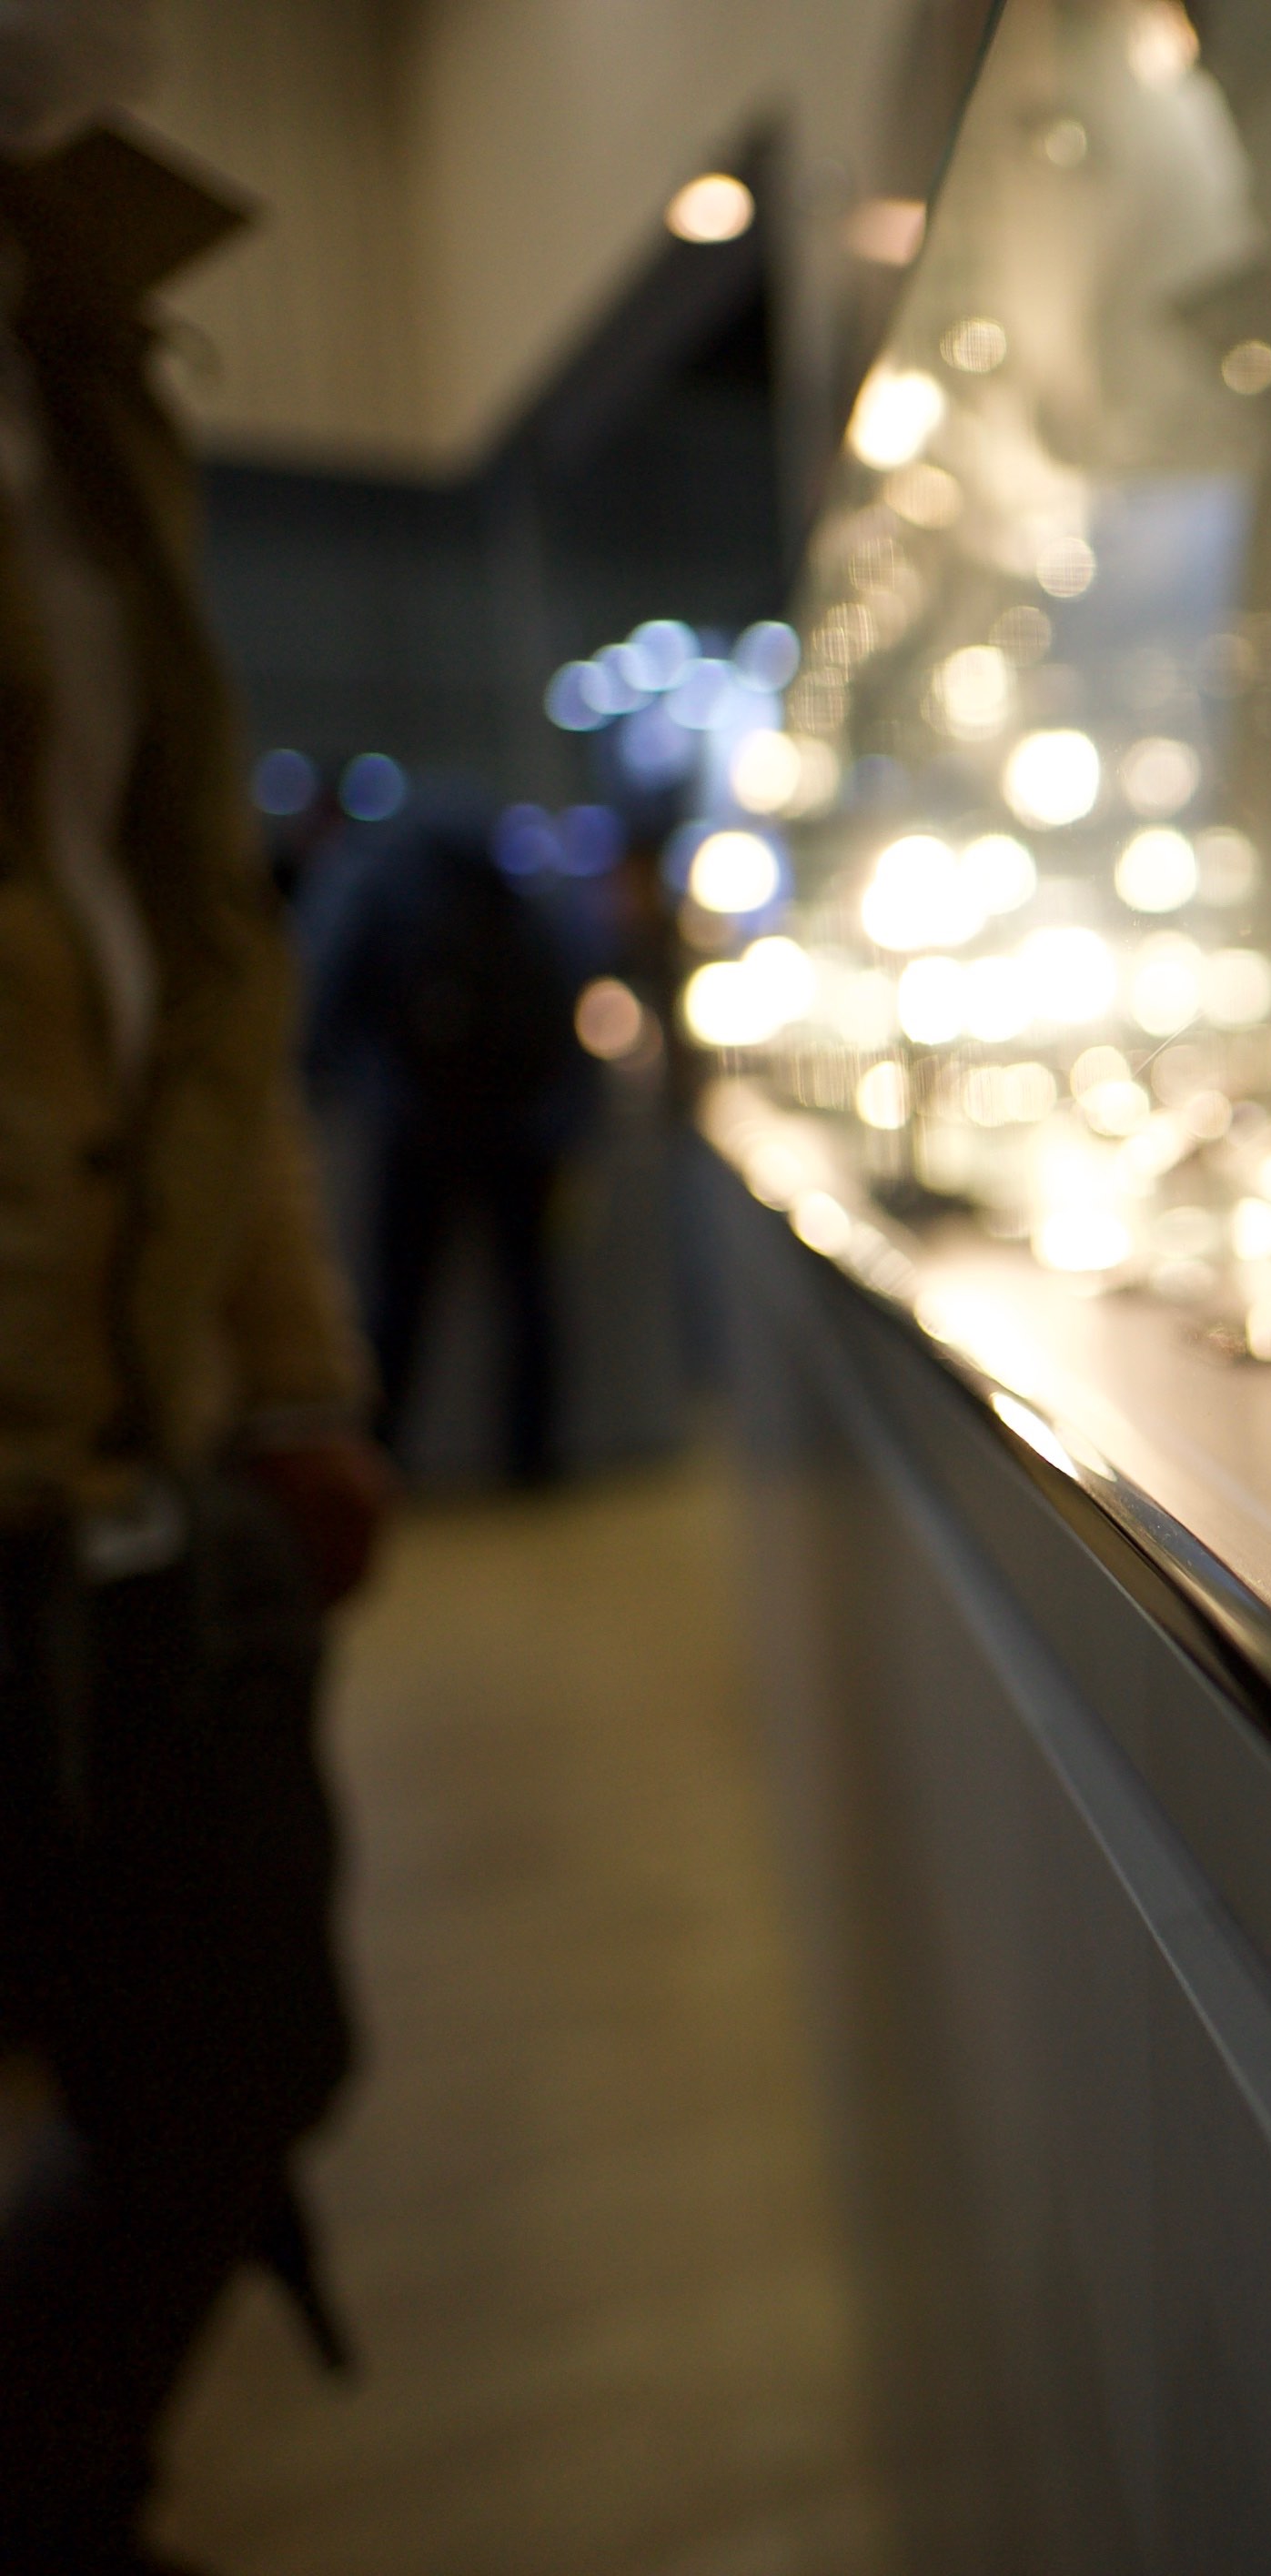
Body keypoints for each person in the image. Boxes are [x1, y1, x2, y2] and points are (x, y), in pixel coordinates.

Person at [0, 52, 395, 2576]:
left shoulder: (87, 357)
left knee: (243, 2048)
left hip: (142, 1461)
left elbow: (197, 957)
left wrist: (293, 1374)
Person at [300, 792, 596, 1486]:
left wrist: (356, 1087)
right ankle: (534, 1459)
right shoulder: (512, 885)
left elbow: (329, 999)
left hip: (418, 1129)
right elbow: (569, 1001)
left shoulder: (382, 884)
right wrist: (565, 1122)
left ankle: (382, 1459)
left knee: (400, 1304)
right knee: (527, 1301)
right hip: (517, 1131)